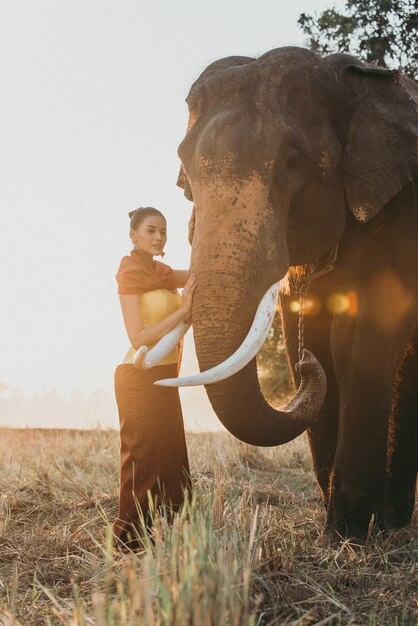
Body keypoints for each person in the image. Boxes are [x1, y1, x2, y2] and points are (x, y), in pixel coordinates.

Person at [113, 206, 196, 546]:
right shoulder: (129, 274)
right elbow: (139, 337)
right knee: (144, 464)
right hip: (139, 375)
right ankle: (128, 544)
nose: (159, 236)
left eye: (163, 230)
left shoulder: (162, 273)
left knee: (173, 462)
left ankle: (170, 539)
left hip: (165, 377)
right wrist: (184, 311)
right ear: (133, 235)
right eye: (150, 230)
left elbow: (199, 275)